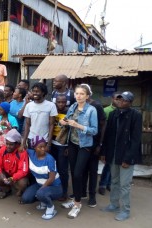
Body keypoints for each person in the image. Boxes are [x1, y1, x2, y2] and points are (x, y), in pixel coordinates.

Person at [101, 91, 142, 221]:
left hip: (126, 156)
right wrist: (104, 152)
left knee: (125, 184)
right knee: (114, 181)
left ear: (130, 103)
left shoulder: (136, 115)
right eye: (119, 99)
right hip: (113, 154)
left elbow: (136, 139)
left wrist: (128, 158)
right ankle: (114, 204)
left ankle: (125, 210)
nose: (120, 102)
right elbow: (108, 136)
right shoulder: (114, 114)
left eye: (124, 100)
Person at [59, 84, 98, 219]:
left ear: (87, 96)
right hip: (72, 143)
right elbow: (65, 121)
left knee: (77, 174)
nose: (78, 96)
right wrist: (63, 122)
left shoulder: (91, 110)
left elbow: (94, 130)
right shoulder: (73, 107)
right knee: (73, 173)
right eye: (77, 93)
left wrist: (78, 126)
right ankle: (76, 198)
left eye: (82, 94)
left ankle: (77, 204)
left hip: (85, 145)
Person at [21, 136, 62, 220]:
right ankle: (43, 201)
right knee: (25, 198)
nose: (43, 149)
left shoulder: (49, 159)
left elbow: (51, 178)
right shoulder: (30, 153)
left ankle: (51, 208)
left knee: (40, 193)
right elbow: (20, 148)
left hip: (55, 187)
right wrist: (22, 145)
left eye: (44, 146)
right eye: (40, 147)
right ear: (34, 148)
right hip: (40, 184)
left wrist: (41, 190)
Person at [80, 84, 106, 208]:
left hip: (94, 144)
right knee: (83, 169)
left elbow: (102, 125)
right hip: (82, 143)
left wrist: (100, 144)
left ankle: (92, 197)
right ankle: (83, 192)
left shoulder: (96, 106)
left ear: (88, 94)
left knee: (92, 171)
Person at [0, 129, 28, 199]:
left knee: (23, 183)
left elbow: (23, 171)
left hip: (16, 177)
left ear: (17, 144)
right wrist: (0, 173)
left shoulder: (22, 152)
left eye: (11, 144)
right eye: (7, 143)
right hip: (6, 174)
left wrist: (13, 178)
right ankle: (7, 189)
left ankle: (20, 190)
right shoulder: (3, 149)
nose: (8, 146)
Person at [23, 82, 58, 152]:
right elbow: (27, 124)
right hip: (31, 138)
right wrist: (24, 140)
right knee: (32, 161)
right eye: (33, 91)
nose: (35, 93)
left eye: (37, 91)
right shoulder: (29, 106)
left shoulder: (51, 105)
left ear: (43, 93)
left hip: (44, 139)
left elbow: (51, 125)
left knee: (43, 160)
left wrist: (49, 143)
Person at [98, 92, 120, 195]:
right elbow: (104, 128)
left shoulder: (123, 111)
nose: (118, 101)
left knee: (115, 165)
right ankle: (102, 184)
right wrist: (102, 144)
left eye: (120, 99)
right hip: (108, 141)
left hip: (119, 142)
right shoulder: (106, 111)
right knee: (108, 164)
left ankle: (109, 184)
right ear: (112, 99)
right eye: (116, 99)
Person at [50, 94, 69, 201]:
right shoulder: (53, 111)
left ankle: (64, 192)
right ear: (55, 102)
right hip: (52, 143)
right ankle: (54, 189)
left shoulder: (69, 112)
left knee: (63, 170)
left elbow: (71, 131)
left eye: (63, 102)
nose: (61, 104)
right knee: (53, 168)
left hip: (63, 145)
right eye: (59, 102)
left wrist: (68, 147)